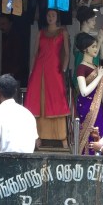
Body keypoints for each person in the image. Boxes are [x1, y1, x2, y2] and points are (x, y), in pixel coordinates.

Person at [24, 9, 70, 147]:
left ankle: (61, 136)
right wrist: (31, 70)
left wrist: (63, 69)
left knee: (56, 99)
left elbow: (67, 53)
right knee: (37, 99)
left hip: (55, 69)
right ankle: (37, 135)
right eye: (48, 15)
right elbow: (35, 53)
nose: (50, 17)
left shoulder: (63, 32)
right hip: (39, 69)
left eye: (53, 15)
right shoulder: (41, 33)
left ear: (57, 17)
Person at [0, 74, 39, 153]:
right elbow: (36, 144)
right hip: (26, 160)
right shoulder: (28, 114)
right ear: (15, 91)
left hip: (5, 160)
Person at [74, 32, 103, 155]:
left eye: (95, 46)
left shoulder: (95, 66)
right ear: (85, 49)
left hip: (99, 107)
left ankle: (99, 160)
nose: (95, 49)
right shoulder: (81, 68)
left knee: (100, 132)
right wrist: (98, 76)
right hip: (87, 107)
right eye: (93, 46)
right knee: (88, 134)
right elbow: (84, 92)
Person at [0, 14, 28, 84]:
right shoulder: (1, 37)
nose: (1, 27)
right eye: (0, 24)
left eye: (3, 24)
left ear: (10, 24)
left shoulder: (16, 38)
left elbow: (17, 58)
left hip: (13, 76)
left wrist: (12, 74)